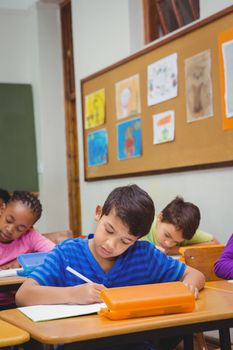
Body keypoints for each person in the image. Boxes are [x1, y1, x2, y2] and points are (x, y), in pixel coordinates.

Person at [16, 185, 205, 350]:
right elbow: (24, 295)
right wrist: (73, 294)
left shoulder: (144, 255)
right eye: (109, 230)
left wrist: (188, 286)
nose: (111, 245)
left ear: (137, 240)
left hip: (135, 344)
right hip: (79, 345)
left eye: (125, 241)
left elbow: (194, 274)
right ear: (99, 213)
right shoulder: (67, 253)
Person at [0, 191, 55, 309]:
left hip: (17, 305)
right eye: (9, 220)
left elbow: (57, 254)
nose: (9, 229)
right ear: (2, 209)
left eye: (20, 228)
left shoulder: (30, 237)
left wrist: (24, 262)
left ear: (29, 228)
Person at [142, 196, 219, 255]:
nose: (168, 244)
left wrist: (177, 249)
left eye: (176, 242)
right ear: (160, 218)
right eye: (167, 235)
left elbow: (215, 243)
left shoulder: (183, 232)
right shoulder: (143, 226)